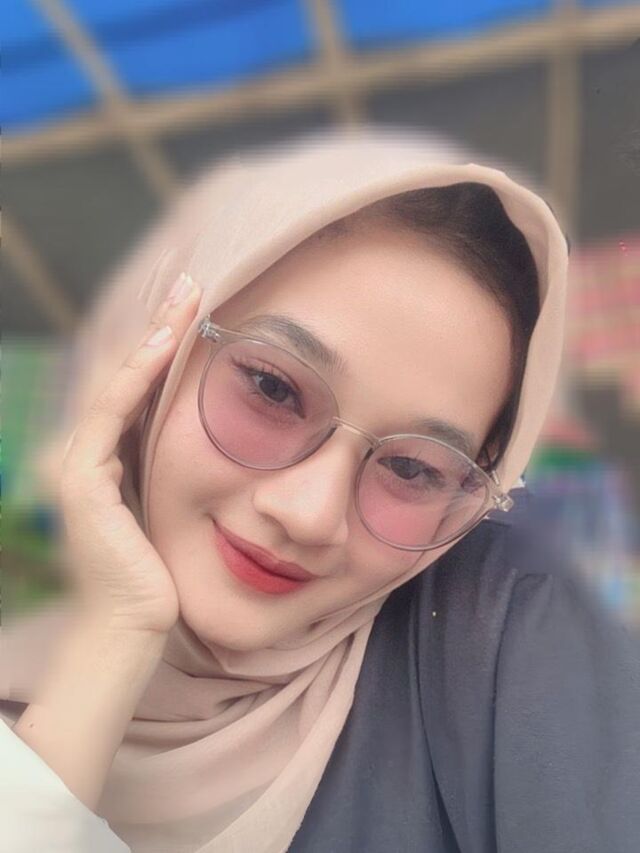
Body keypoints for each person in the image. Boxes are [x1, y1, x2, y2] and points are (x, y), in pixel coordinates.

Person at [1, 129, 638, 853]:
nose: (310, 515)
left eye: (414, 469)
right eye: (273, 388)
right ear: (160, 351)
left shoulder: (503, 625)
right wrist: (114, 635)